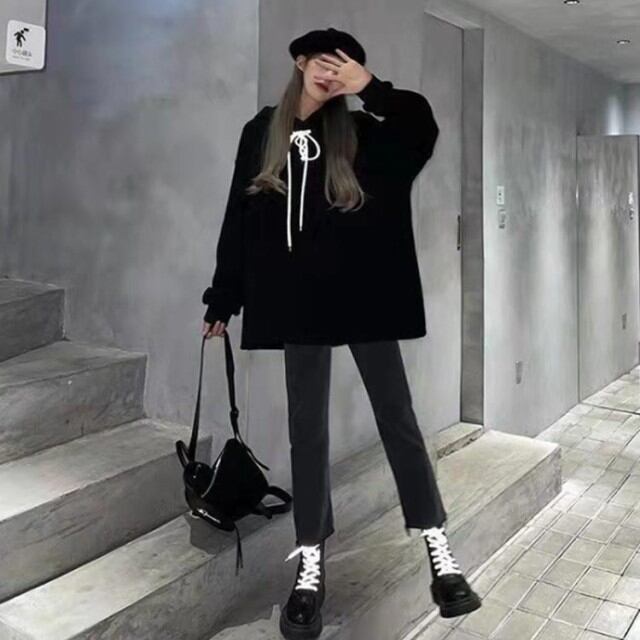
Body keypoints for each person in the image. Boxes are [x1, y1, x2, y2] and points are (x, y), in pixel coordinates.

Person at [201, 26, 481, 639]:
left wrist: (371, 88)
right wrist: (224, 295)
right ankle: (310, 564)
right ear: (300, 62)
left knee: (397, 417)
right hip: (296, 303)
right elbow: (238, 216)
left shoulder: (364, 132)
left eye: (344, 65)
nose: (332, 73)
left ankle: (438, 549)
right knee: (307, 431)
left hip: (363, 299)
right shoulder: (262, 132)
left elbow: (422, 129)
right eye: (323, 62)